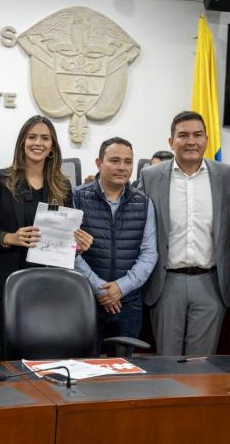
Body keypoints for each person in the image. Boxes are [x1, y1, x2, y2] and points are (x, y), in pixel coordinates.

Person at [0, 115, 92, 346]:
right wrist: (11, 237)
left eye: (45, 138)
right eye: (32, 137)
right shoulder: (0, 180)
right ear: (22, 142)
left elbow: (66, 238)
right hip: (4, 284)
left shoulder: (62, 185)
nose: (38, 143)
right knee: (9, 353)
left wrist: (77, 246)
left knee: (43, 350)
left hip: (48, 284)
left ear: (52, 147)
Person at [138, 111, 230, 356]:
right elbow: (137, 219)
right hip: (166, 283)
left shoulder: (227, 175)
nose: (191, 141)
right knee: (167, 362)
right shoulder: (150, 176)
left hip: (211, 282)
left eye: (197, 135)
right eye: (183, 135)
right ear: (171, 141)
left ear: (206, 139)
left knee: (200, 365)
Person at [74, 137, 157, 348]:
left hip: (127, 302)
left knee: (124, 370)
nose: (122, 167)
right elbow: (69, 251)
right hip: (85, 299)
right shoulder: (76, 198)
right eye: (114, 160)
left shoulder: (144, 202)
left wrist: (120, 288)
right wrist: (99, 288)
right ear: (99, 163)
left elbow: (149, 254)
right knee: (84, 367)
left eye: (128, 162)